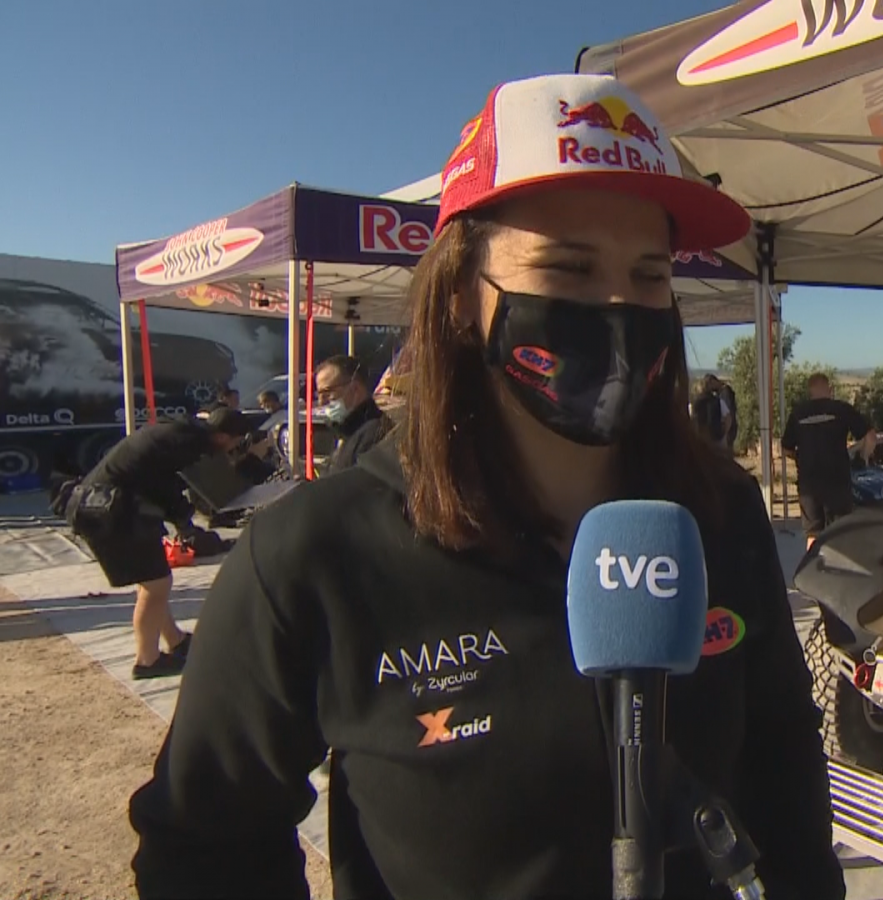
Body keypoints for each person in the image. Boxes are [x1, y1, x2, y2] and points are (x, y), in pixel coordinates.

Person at [128, 72, 845, 900]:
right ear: (462, 299)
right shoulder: (315, 555)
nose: (618, 304)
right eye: (569, 268)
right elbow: (206, 846)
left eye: (649, 276)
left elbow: (783, 761)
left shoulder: (720, 513)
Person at [63, 409, 253, 679]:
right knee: (157, 584)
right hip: (111, 512)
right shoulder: (185, 444)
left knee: (153, 580)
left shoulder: (182, 432)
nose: (234, 448)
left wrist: (185, 520)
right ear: (223, 437)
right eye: (235, 441)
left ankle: (175, 639)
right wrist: (186, 523)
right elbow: (166, 487)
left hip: (102, 506)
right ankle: (147, 660)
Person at [782, 372, 875, 548]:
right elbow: (870, 437)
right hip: (837, 480)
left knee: (813, 535)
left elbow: (786, 448)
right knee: (840, 533)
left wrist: (799, 458)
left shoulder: (798, 413)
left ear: (810, 391)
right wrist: (863, 459)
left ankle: (812, 571)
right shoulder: (841, 409)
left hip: (809, 483)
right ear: (830, 389)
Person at [313, 354, 392, 474]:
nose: (321, 402)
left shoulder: (375, 434)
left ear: (355, 389)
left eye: (327, 392)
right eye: (318, 394)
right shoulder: (344, 432)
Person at [690, 373, 731, 449]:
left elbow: (692, 420)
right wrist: (724, 432)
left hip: (701, 441)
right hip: (717, 438)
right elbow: (728, 418)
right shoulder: (718, 401)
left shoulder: (695, 403)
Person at [718, 377, 739, 453]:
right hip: (731, 425)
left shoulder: (725, 393)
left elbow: (728, 412)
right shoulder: (727, 393)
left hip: (729, 426)